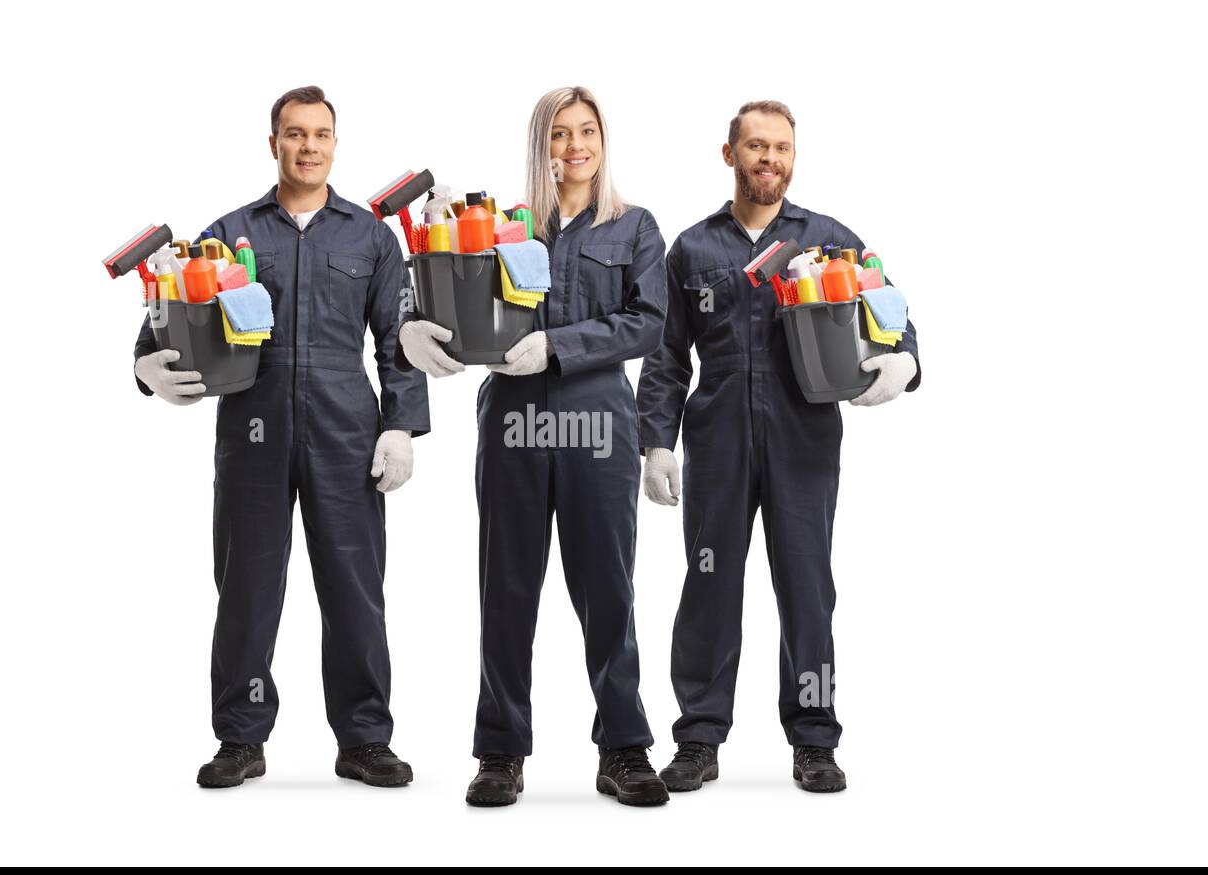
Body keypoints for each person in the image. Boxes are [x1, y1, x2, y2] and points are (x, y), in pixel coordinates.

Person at [132, 86, 430, 789]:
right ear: (274, 144)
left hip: (346, 428)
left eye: (321, 135)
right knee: (246, 588)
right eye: (295, 134)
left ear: (335, 144)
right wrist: (144, 365)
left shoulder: (370, 236)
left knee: (355, 586)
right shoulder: (229, 232)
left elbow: (397, 339)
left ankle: (363, 740)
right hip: (252, 426)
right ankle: (241, 738)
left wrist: (401, 425)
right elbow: (165, 310)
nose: (308, 146)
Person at [636, 100, 922, 794]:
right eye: (757, 147)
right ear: (729, 154)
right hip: (719, 440)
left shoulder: (828, 239)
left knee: (807, 590)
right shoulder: (694, 248)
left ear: (794, 158)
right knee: (708, 586)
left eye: (782, 148)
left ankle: (814, 739)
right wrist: (657, 442)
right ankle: (699, 737)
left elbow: (892, 313)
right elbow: (668, 355)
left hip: (805, 438)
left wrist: (903, 361)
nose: (770, 159)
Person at [398, 87, 669, 807]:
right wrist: (407, 323)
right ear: (538, 145)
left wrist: (558, 345)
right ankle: (499, 754)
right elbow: (433, 281)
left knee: (607, 589)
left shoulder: (635, 227)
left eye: (586, 132)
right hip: (513, 420)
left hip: (598, 421)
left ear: (604, 142)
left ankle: (625, 748)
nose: (574, 147)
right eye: (559, 134)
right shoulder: (502, 227)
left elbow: (648, 323)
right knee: (508, 588)